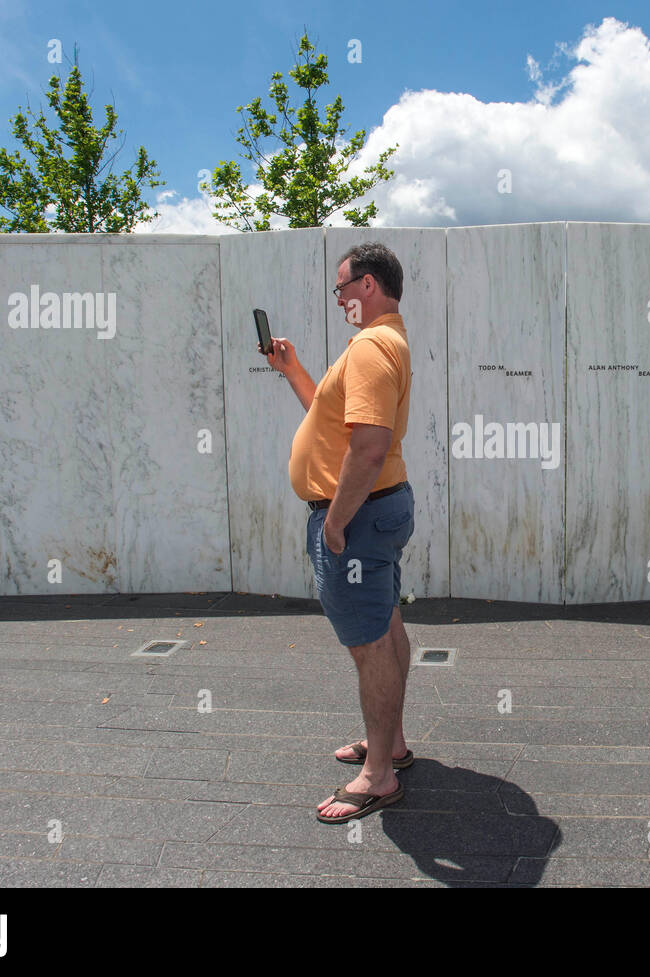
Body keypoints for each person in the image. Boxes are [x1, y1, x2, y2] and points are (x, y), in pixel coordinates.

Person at [265, 242, 416, 821]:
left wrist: (334, 522)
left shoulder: (373, 348)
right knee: (385, 623)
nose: (339, 299)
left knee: (368, 643)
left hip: (357, 518)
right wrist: (293, 370)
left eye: (342, 288)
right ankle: (391, 746)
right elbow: (332, 424)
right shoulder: (378, 344)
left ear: (369, 285)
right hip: (374, 512)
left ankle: (378, 776)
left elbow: (370, 444)